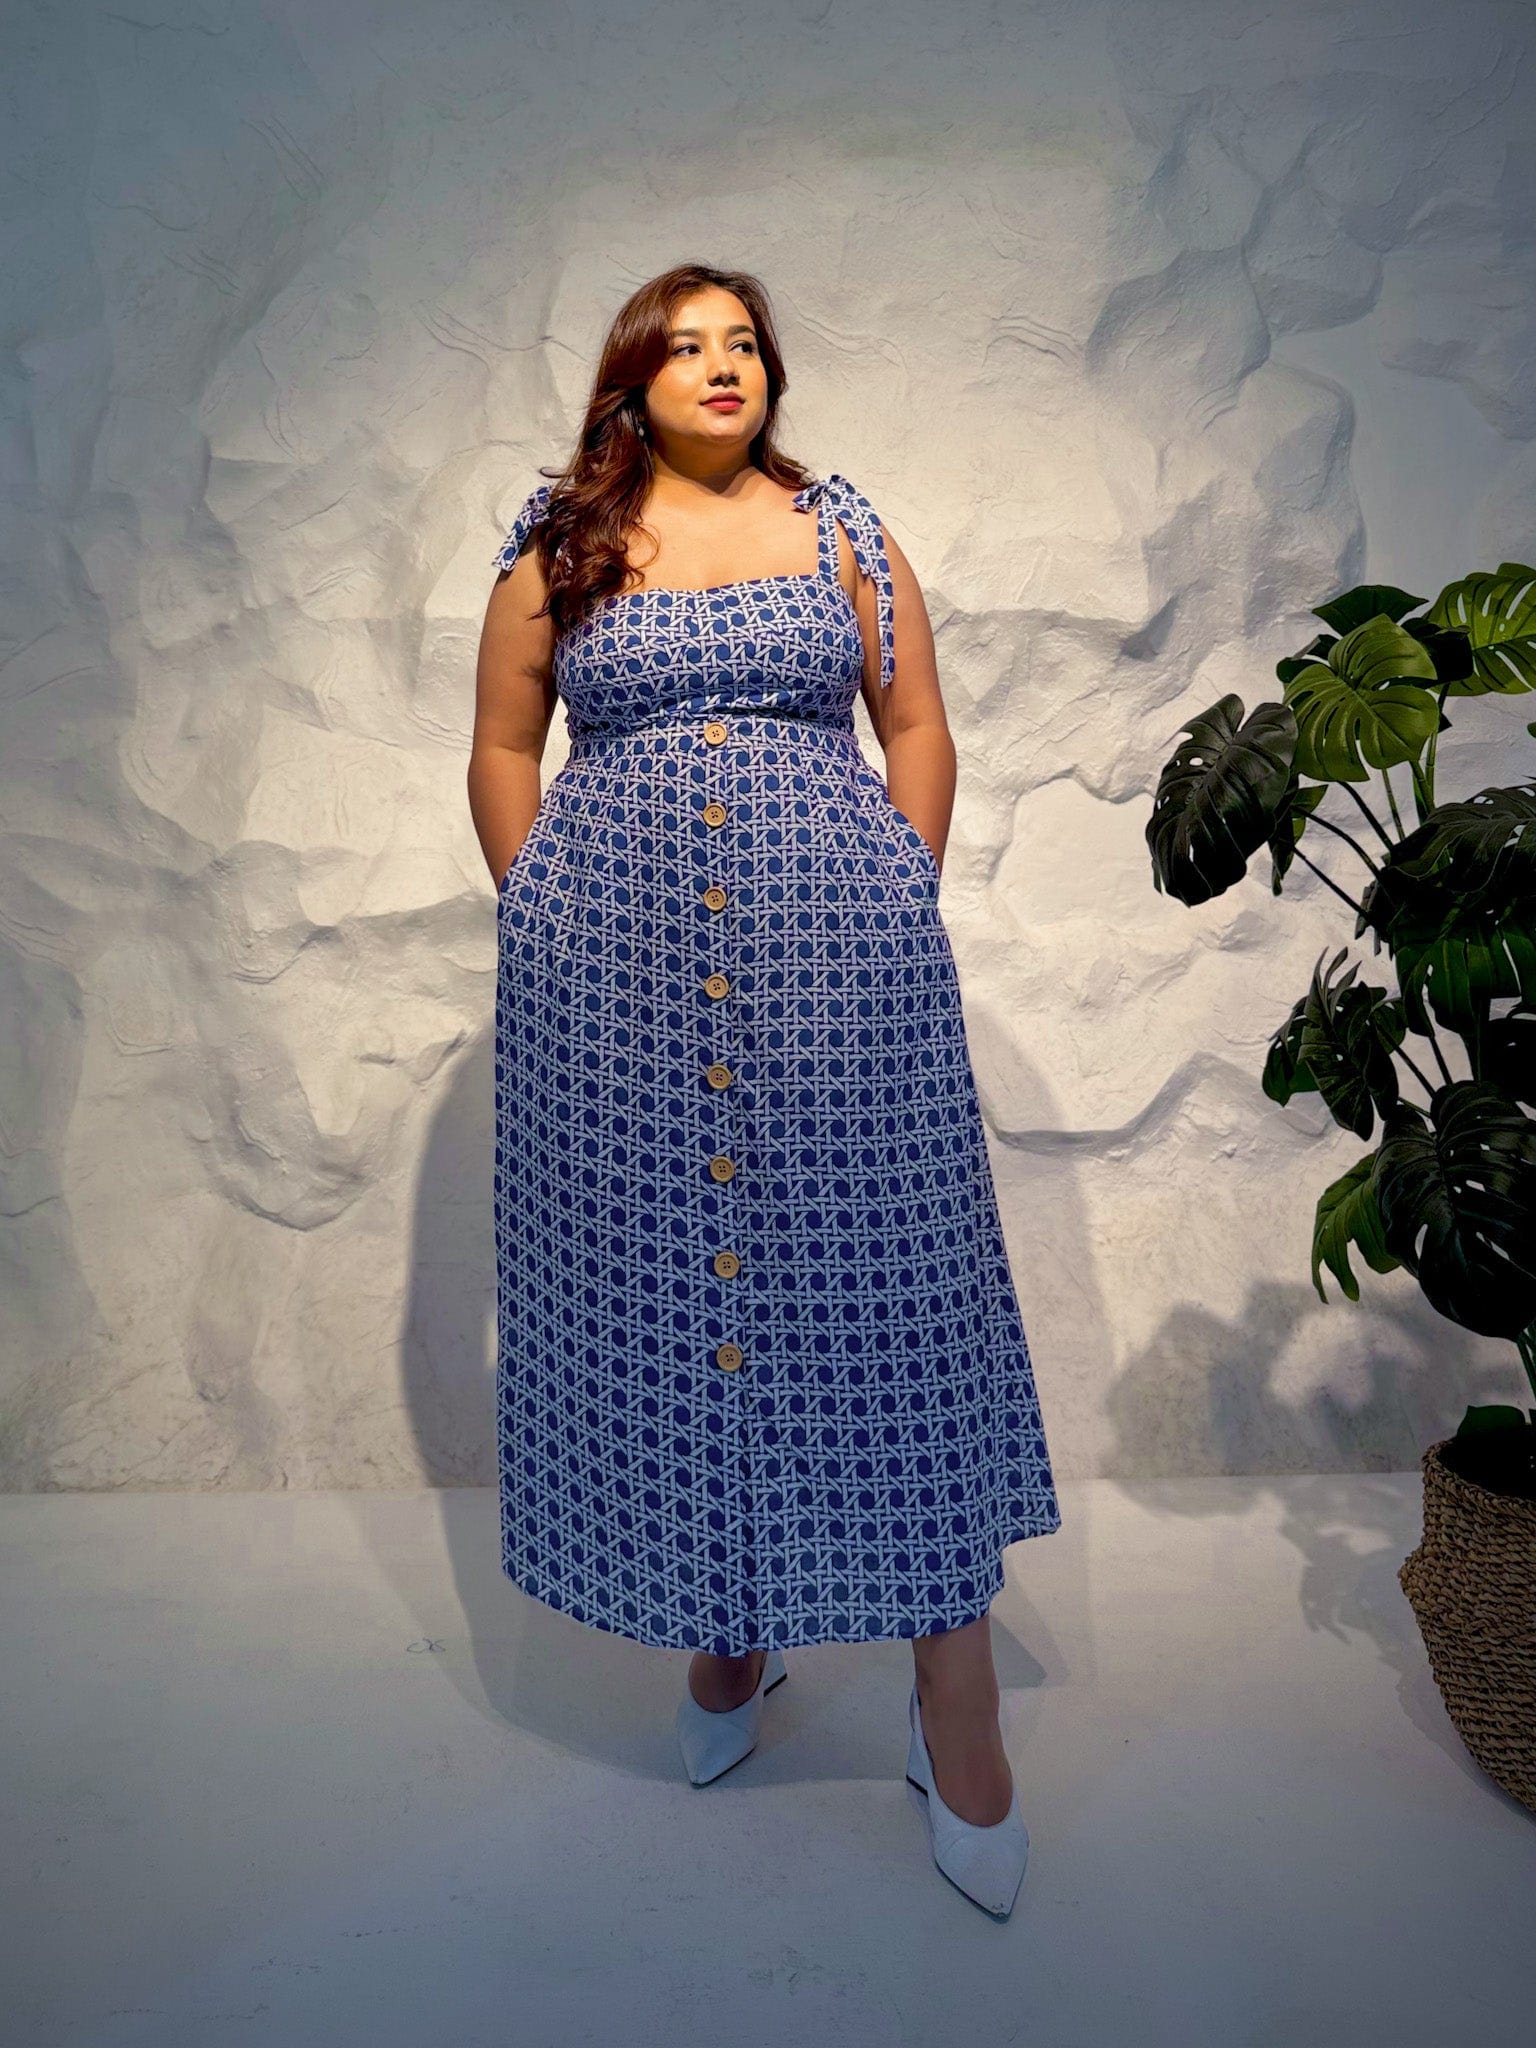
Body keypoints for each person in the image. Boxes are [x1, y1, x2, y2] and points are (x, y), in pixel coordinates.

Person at [469, 261, 1060, 1917]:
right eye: (687, 346)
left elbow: (915, 721)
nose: (722, 366)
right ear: (632, 382)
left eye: (744, 344)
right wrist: (540, 912)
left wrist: (899, 887)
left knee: (889, 1303)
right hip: (619, 996)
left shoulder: (844, 529)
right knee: (665, 1295)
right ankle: (726, 1636)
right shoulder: (561, 545)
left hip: (841, 977)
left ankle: (956, 1699)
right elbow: (504, 746)